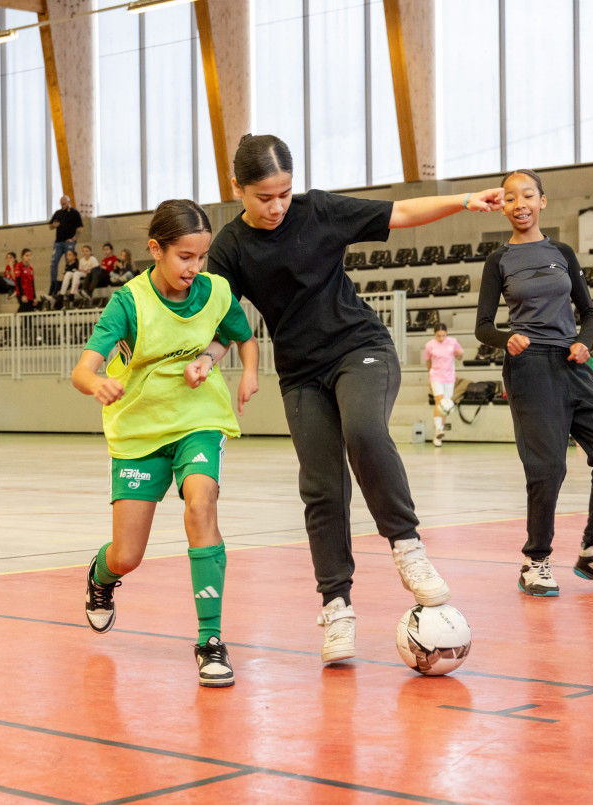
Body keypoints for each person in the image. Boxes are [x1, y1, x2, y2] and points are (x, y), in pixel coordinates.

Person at [207, 133, 496, 663]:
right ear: (237, 190)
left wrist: (463, 199)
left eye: (284, 194)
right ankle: (337, 609)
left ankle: (407, 548)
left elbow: (402, 211)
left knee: (364, 431)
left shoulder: (319, 211)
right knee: (321, 485)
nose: (276, 207)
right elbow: (224, 318)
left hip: (359, 347)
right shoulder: (229, 247)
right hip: (300, 373)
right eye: (264, 197)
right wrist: (210, 358)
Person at [72, 199, 259, 687]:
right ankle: (101, 577)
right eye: (184, 257)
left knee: (201, 503)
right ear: (155, 249)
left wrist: (246, 372)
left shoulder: (215, 291)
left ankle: (211, 641)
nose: (195, 268)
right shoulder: (129, 303)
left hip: (199, 417)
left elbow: (242, 335)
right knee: (127, 555)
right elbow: (82, 369)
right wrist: (97, 385)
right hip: (138, 431)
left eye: (201, 257)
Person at [474, 168, 593, 598]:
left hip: (572, 364)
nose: (520, 204)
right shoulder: (498, 261)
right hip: (529, 366)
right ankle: (536, 560)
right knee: (548, 468)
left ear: (542, 201)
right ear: (502, 206)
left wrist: (584, 343)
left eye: (528, 195)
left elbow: (590, 313)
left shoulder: (562, 252)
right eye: (510, 198)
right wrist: (507, 339)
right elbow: (483, 327)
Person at [421, 322, 463, 447]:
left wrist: (460, 354)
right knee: (439, 401)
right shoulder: (429, 345)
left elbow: (459, 356)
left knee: (446, 405)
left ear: (447, 334)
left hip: (449, 377)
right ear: (435, 334)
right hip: (436, 377)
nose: (441, 338)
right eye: (439, 336)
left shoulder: (453, 342)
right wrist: (430, 376)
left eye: (443, 335)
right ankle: (439, 428)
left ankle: (438, 434)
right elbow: (428, 361)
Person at [48, 195, 83, 296]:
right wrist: (53, 226)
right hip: (58, 242)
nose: (62, 205)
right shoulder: (58, 213)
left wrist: (74, 238)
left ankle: (69, 282)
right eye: (61, 203)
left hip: (69, 242)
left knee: (69, 262)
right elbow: (50, 226)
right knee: (54, 262)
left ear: (68, 202)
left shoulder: (74, 213)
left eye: (64, 203)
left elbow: (79, 228)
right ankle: (53, 283)